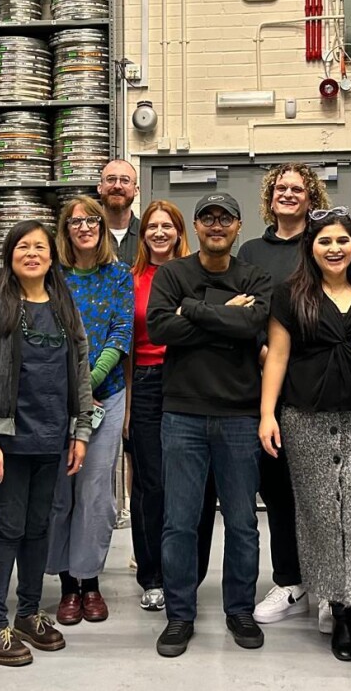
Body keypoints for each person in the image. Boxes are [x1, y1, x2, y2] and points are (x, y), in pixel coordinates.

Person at [258, 208, 351, 675]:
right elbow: (277, 358)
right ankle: (338, 610)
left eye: (343, 241)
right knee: (320, 515)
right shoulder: (290, 296)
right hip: (306, 419)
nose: (335, 248)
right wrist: (267, 415)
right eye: (325, 242)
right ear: (311, 248)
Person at [0, 220, 93, 667]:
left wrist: (80, 432)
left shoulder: (63, 307)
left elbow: (80, 370)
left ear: (52, 257)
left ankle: (29, 614)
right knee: (7, 529)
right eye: (23, 246)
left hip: (53, 438)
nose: (32, 253)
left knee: (39, 529)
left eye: (40, 246)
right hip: (8, 441)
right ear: (10, 256)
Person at [146, 192, 272, 658]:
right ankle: (179, 615)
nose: (216, 225)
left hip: (240, 415)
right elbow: (160, 329)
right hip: (182, 414)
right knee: (179, 523)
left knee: (242, 523)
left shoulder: (254, 275)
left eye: (225, 218)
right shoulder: (172, 273)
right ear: (195, 227)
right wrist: (226, 315)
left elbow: (252, 326)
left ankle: (239, 609)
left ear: (239, 227)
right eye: (207, 218)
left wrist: (194, 310)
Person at [238, 162, 331, 625]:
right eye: (281, 188)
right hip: (268, 385)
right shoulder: (253, 250)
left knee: (321, 489)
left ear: (311, 196)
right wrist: (262, 352)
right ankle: (291, 579)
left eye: (297, 188)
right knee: (276, 489)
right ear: (270, 197)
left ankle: (330, 583)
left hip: (319, 384)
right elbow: (244, 309)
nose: (288, 194)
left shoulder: (323, 244)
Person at [123, 200, 220, 612]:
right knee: (152, 484)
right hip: (145, 383)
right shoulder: (129, 279)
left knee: (199, 484)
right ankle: (154, 576)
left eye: (168, 226)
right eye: (151, 226)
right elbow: (125, 344)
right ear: (143, 234)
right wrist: (127, 405)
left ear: (181, 232)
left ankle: (190, 575)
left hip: (192, 381)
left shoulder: (196, 278)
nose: (159, 232)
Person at [48, 196, 133, 624]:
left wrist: (89, 384)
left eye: (92, 221)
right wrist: (71, 391)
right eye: (76, 221)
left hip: (106, 395)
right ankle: (66, 584)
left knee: (96, 494)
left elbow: (121, 333)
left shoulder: (118, 274)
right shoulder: (52, 276)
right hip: (55, 399)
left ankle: (90, 581)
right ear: (65, 229)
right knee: (61, 494)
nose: (84, 227)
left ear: (102, 228)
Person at [98, 159, 141, 265]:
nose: (117, 186)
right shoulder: (88, 233)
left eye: (125, 180)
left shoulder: (146, 234)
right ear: (100, 188)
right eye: (111, 179)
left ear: (136, 190)